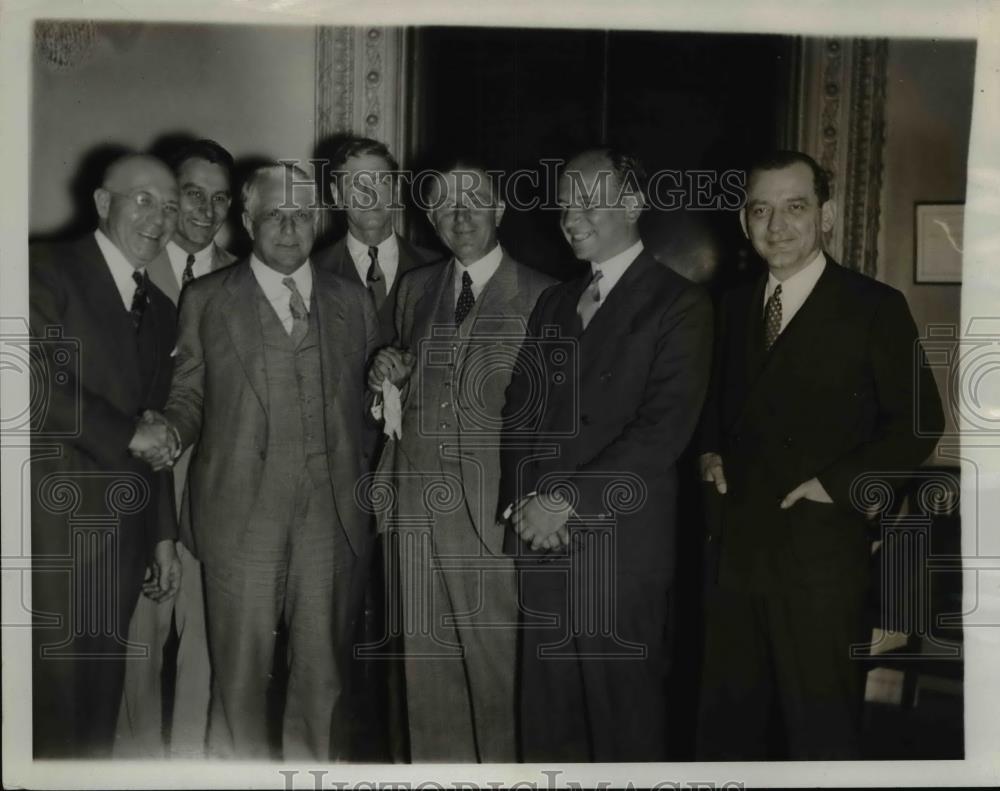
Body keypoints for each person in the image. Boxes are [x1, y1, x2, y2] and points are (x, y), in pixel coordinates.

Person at [696, 150, 945, 759]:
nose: (776, 225)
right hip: (734, 560)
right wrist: (708, 452)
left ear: (826, 217)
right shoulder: (728, 307)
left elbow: (921, 422)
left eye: (795, 207)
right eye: (761, 209)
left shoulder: (874, 307)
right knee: (730, 734)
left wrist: (835, 486)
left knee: (819, 738)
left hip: (819, 561)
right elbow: (710, 409)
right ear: (743, 221)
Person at [151, 163, 380, 760]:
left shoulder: (351, 300)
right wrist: (171, 429)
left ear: (317, 222)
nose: (289, 226)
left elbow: (368, 406)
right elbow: (189, 394)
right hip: (240, 514)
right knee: (239, 681)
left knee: (322, 677)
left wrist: (390, 383)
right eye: (275, 213)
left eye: (302, 215)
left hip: (330, 519)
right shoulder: (206, 299)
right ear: (248, 220)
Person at [498, 147, 713, 761]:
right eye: (566, 203)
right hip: (542, 545)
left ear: (634, 204)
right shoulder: (555, 303)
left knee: (624, 726)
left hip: (620, 552)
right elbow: (519, 410)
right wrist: (525, 506)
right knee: (546, 722)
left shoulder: (680, 304)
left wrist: (563, 501)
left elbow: (660, 432)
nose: (572, 216)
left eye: (589, 200)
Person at [368, 160, 554, 761]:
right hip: (415, 508)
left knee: (497, 677)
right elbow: (402, 378)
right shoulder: (417, 289)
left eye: (475, 201)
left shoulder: (545, 294)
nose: (461, 214)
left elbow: (554, 418)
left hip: (492, 514)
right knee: (427, 678)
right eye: (445, 205)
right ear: (430, 219)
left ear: (500, 210)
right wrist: (386, 373)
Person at [29, 153, 182, 758]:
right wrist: (125, 435)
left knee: (94, 720)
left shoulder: (163, 310)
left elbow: (154, 425)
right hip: (50, 538)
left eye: (170, 206)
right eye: (143, 200)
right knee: (47, 713)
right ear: (101, 203)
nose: (160, 218)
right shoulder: (46, 268)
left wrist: (163, 535)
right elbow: (31, 381)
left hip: (119, 547)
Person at [115, 138, 237, 758]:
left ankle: (197, 763)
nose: (205, 210)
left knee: (207, 642)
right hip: (144, 477)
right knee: (141, 630)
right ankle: (132, 763)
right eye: (193, 194)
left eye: (220, 199)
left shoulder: (246, 276)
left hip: (216, 487)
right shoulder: (132, 268)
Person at [314, 136, 439, 343]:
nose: (369, 195)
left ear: (396, 190)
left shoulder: (437, 268)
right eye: (355, 183)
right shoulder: (314, 271)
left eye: (380, 181)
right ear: (337, 195)